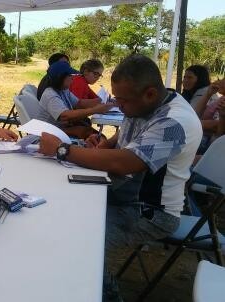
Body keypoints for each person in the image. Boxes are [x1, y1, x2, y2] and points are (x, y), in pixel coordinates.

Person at [38, 54, 202, 300]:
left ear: (148, 93)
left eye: (122, 101)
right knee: (59, 210)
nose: (119, 106)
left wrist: (63, 150)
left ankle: (105, 293)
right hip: (121, 193)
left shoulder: (174, 122)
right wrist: (102, 144)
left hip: (150, 212)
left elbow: (125, 162)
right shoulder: (147, 101)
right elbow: (122, 139)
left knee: (80, 241)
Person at [37, 61, 112, 139]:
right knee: (97, 138)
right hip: (50, 132)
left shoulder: (63, 90)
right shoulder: (50, 94)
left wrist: (104, 103)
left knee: (98, 137)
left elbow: (79, 103)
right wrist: (95, 110)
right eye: (69, 75)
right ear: (60, 78)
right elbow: (65, 116)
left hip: (61, 129)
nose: (73, 77)